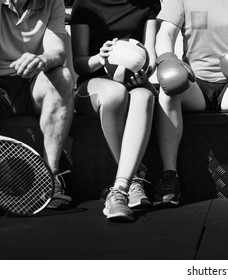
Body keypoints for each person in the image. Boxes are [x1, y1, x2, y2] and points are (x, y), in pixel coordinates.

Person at [154, 0, 228, 206]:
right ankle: (169, 178)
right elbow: (165, 33)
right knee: (168, 90)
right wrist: (167, 58)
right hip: (196, 85)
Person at [0, 0, 74, 216]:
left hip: (29, 83)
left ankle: (51, 180)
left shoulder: (53, 1)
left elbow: (58, 51)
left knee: (63, 77)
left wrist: (42, 60)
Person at [69, 0, 160, 221]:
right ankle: (134, 179)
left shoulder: (148, 3)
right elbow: (79, 63)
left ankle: (120, 189)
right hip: (93, 84)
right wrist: (101, 58)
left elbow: (151, 55)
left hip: (132, 82)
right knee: (115, 94)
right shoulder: (84, 4)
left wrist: (144, 71)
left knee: (145, 95)